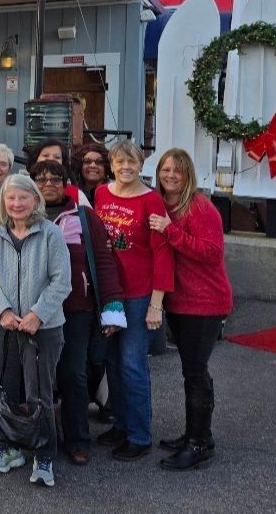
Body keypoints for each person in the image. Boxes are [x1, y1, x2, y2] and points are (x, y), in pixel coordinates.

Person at [31, 159, 124, 466]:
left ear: (66, 183)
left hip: (76, 309)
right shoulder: (23, 212)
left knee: (74, 373)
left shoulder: (84, 217)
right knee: (36, 377)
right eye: (41, 179)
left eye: (55, 179)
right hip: (35, 311)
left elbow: (104, 260)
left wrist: (111, 304)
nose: (48, 184)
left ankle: (77, 439)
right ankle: (37, 435)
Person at [0, 174, 71, 487]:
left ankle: (44, 455)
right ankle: (9, 448)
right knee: (4, 388)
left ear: (35, 201)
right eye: (10, 198)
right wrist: (3, 310)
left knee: (39, 393)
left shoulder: (50, 234)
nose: (16, 204)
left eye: (23, 197)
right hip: (3, 326)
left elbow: (62, 281)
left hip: (42, 328)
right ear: (3, 201)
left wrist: (37, 315)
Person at [150, 148, 233, 471]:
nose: (170, 176)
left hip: (205, 302)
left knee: (195, 372)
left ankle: (199, 443)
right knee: (192, 370)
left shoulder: (200, 208)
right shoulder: (162, 205)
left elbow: (212, 253)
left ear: (188, 175)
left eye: (177, 171)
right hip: (180, 302)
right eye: (165, 170)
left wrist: (170, 231)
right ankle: (196, 434)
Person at [93, 140, 174, 461]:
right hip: (109, 292)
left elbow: (163, 253)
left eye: (132, 163)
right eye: (120, 162)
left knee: (132, 364)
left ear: (141, 166)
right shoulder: (102, 193)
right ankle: (121, 424)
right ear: (111, 165)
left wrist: (157, 303)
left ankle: (139, 434)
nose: (126, 168)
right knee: (112, 361)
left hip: (139, 295)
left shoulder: (151, 201)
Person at [28, 138, 89, 206]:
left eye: (57, 157)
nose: (51, 159)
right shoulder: (22, 187)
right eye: (45, 156)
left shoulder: (75, 194)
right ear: (35, 159)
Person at [72, 142, 111, 206]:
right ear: (80, 166)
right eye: (87, 161)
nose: (93, 166)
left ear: (107, 167)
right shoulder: (72, 193)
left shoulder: (116, 192)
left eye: (99, 162)